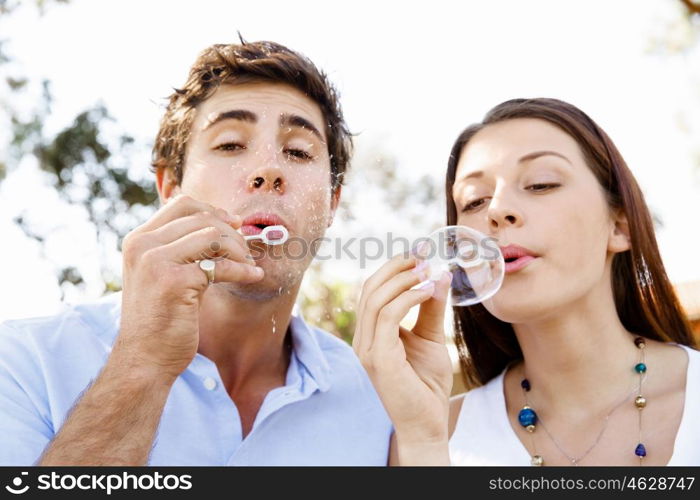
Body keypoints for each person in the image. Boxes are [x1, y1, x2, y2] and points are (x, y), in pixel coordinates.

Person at [0, 40, 391, 465]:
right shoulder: (22, 362)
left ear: (332, 203)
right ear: (170, 189)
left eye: (297, 151)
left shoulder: (378, 401)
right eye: (229, 145)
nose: (268, 170)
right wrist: (141, 366)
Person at [353, 98, 700, 466]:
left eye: (540, 184)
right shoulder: (432, 436)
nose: (497, 210)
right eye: (474, 201)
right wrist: (423, 442)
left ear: (619, 226)